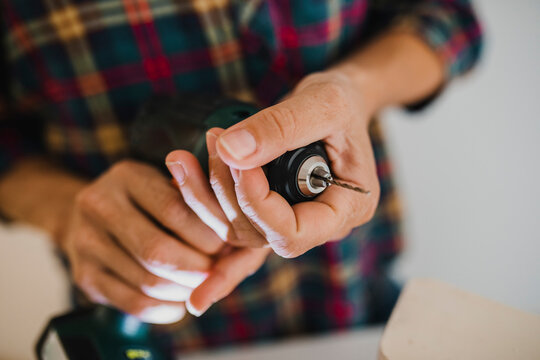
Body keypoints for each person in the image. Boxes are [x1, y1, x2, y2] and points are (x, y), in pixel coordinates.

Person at [0, 0, 482, 355]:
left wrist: (357, 88)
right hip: (155, 328)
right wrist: (68, 212)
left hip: (355, 310)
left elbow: (448, 19)